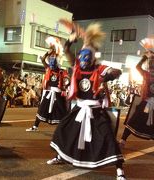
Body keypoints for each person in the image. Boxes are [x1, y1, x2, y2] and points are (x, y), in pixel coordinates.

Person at [47, 20, 126, 180]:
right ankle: (60, 156)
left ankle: (119, 171)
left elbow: (117, 71)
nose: (83, 60)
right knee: (63, 130)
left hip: (96, 111)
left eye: (86, 57)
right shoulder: (76, 67)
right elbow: (67, 50)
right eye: (81, 57)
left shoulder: (99, 69)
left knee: (109, 138)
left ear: (91, 58)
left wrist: (111, 74)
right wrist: (70, 39)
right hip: (79, 109)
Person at [26, 44, 70, 132]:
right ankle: (35, 127)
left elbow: (67, 80)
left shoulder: (62, 71)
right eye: (51, 62)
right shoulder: (48, 69)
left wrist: (67, 82)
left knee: (62, 112)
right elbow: (42, 59)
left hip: (58, 94)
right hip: (48, 93)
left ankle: (66, 130)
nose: (52, 64)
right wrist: (47, 53)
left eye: (54, 62)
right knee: (41, 109)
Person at [119, 51, 154, 148]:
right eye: (151, 63)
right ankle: (123, 140)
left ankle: (123, 139)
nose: (152, 65)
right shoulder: (146, 74)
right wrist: (145, 57)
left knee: (134, 121)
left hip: (148, 103)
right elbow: (138, 67)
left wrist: (145, 58)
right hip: (145, 103)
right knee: (133, 121)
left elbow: (138, 67)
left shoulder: (146, 74)